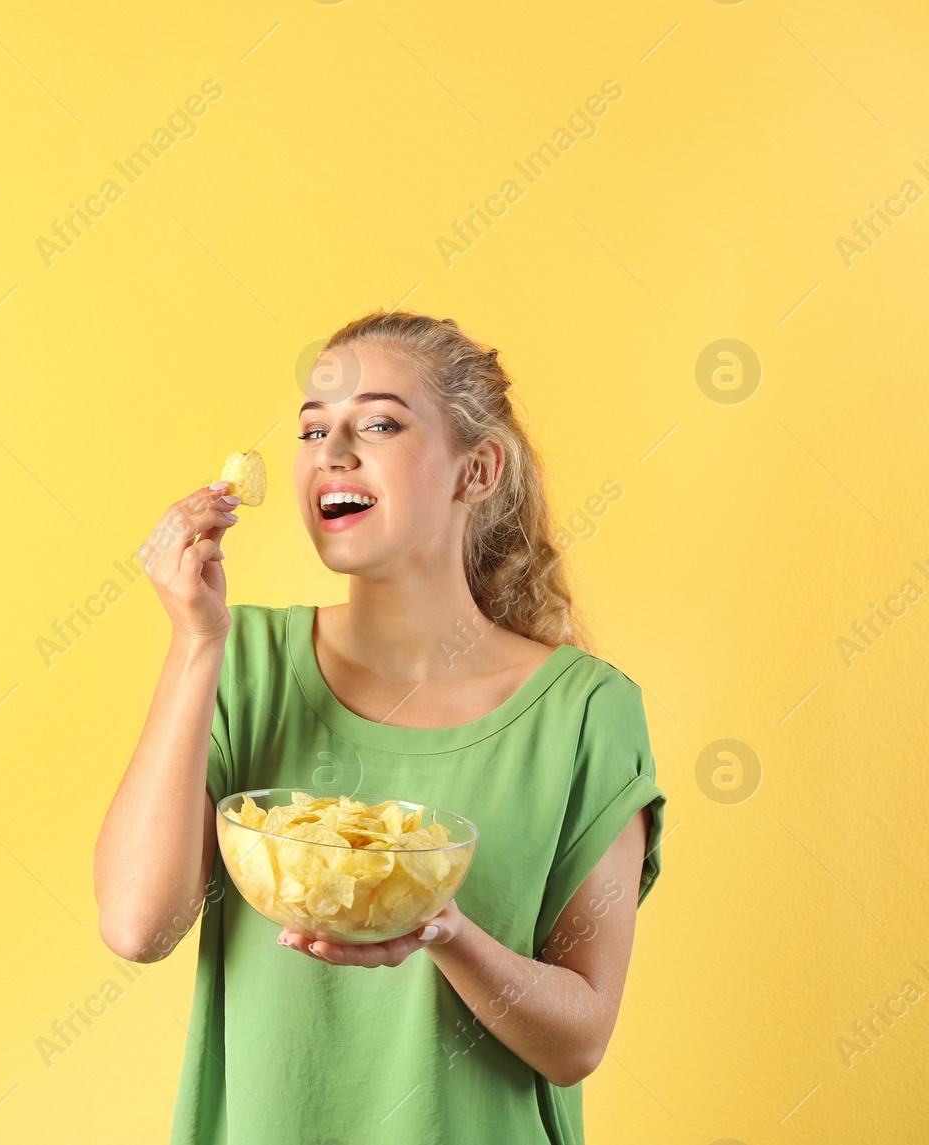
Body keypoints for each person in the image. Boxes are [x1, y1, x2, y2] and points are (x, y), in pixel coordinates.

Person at [93, 310, 666, 1144]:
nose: (331, 452)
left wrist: (445, 929)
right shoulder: (238, 660)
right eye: (313, 429)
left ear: (478, 471)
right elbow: (138, 925)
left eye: (380, 423)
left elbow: (580, 1037)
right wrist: (195, 642)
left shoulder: (585, 711)